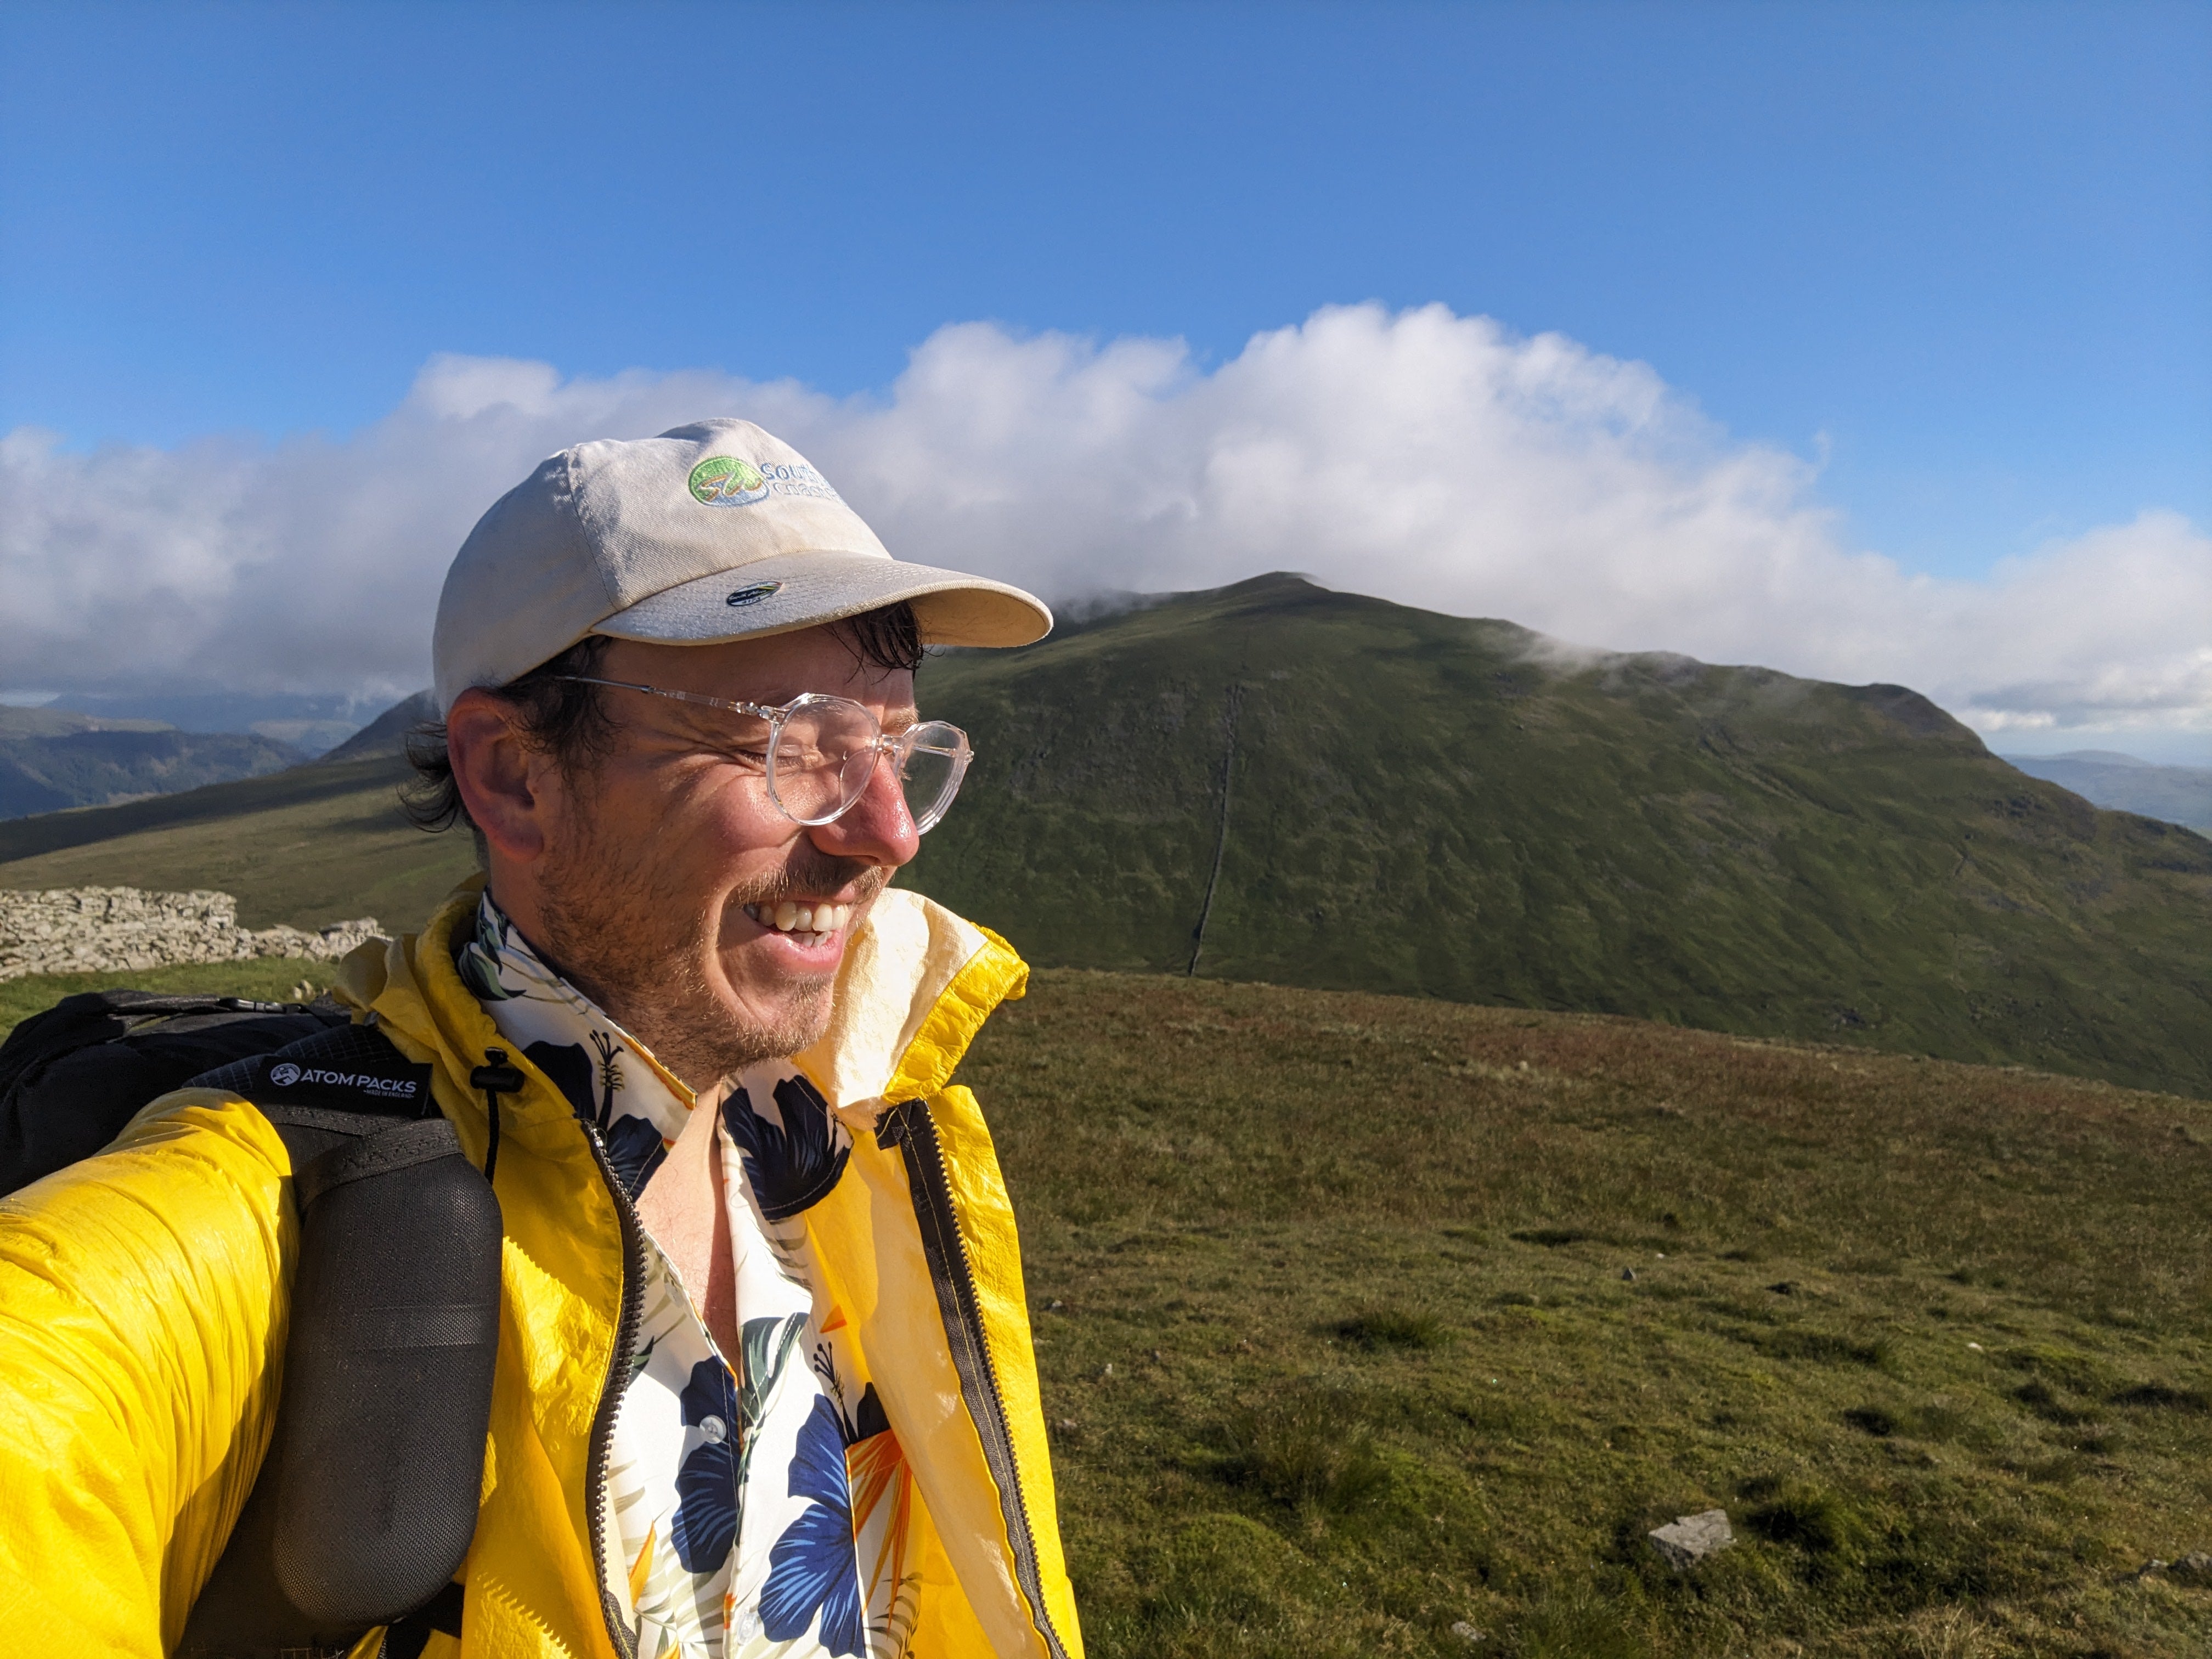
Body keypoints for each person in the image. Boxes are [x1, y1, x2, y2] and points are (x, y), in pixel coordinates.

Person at [0, 421, 1084, 1659]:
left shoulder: (874, 1135)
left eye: (895, 745)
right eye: (792, 742)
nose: (887, 833)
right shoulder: (263, 1218)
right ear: (514, 776)